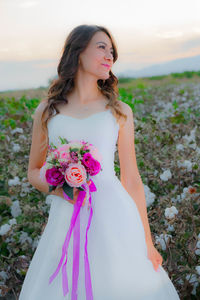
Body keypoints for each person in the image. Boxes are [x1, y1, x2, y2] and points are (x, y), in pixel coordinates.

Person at [18, 24, 180, 300]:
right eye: (101, 47)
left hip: (115, 215)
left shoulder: (118, 111)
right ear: (78, 51)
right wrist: (60, 186)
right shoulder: (47, 110)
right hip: (65, 217)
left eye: (112, 51)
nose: (110, 56)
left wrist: (148, 243)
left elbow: (131, 179)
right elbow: (34, 171)